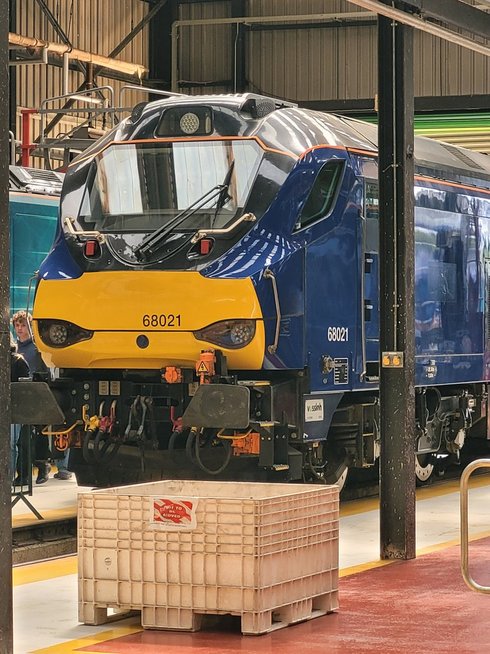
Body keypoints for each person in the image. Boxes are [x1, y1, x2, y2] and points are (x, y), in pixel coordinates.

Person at [12, 310, 52, 484]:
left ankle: (42, 466)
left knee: (37, 435)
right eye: (17, 325)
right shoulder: (14, 348)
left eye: (23, 325)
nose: (20, 329)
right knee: (23, 440)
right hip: (19, 395)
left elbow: (46, 371)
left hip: (36, 393)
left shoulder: (36, 348)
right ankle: (24, 473)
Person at [10, 333, 30, 483]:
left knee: (10, 443)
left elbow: (25, 388)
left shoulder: (17, 361)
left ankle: (7, 478)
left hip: (13, 409)